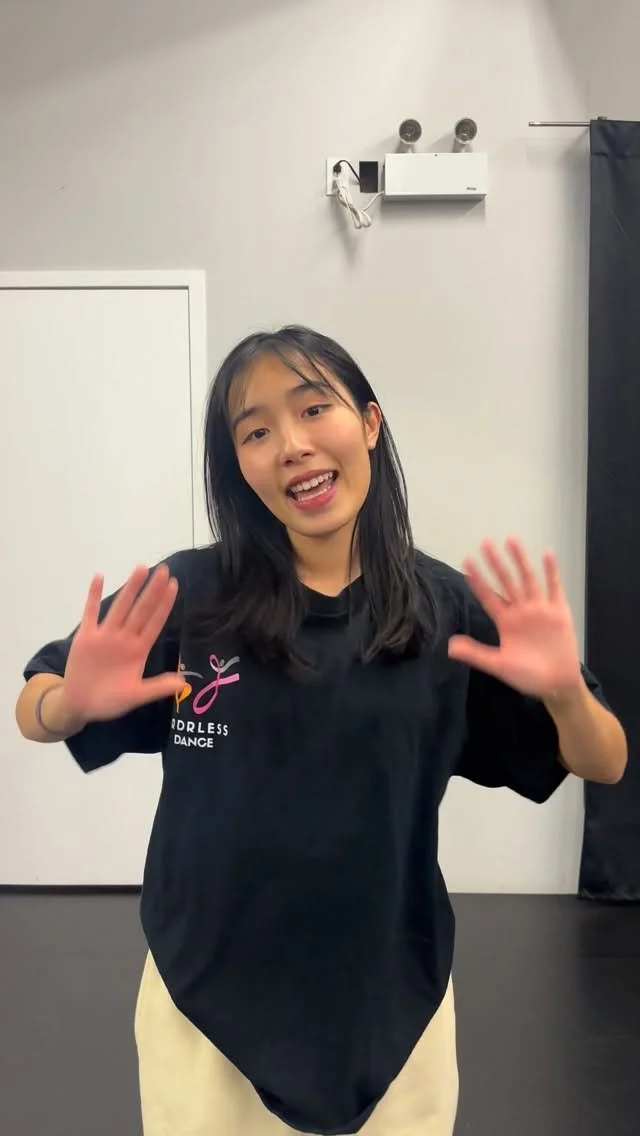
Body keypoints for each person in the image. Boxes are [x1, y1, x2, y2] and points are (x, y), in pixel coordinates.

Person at [16, 326, 626, 1136]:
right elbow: (34, 702)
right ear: (237, 466)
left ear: (369, 423)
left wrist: (566, 694)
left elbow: (605, 761)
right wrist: (69, 704)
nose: (292, 446)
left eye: (313, 409)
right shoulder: (190, 594)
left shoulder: (446, 611)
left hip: (392, 1002)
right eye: (256, 432)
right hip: (206, 1006)